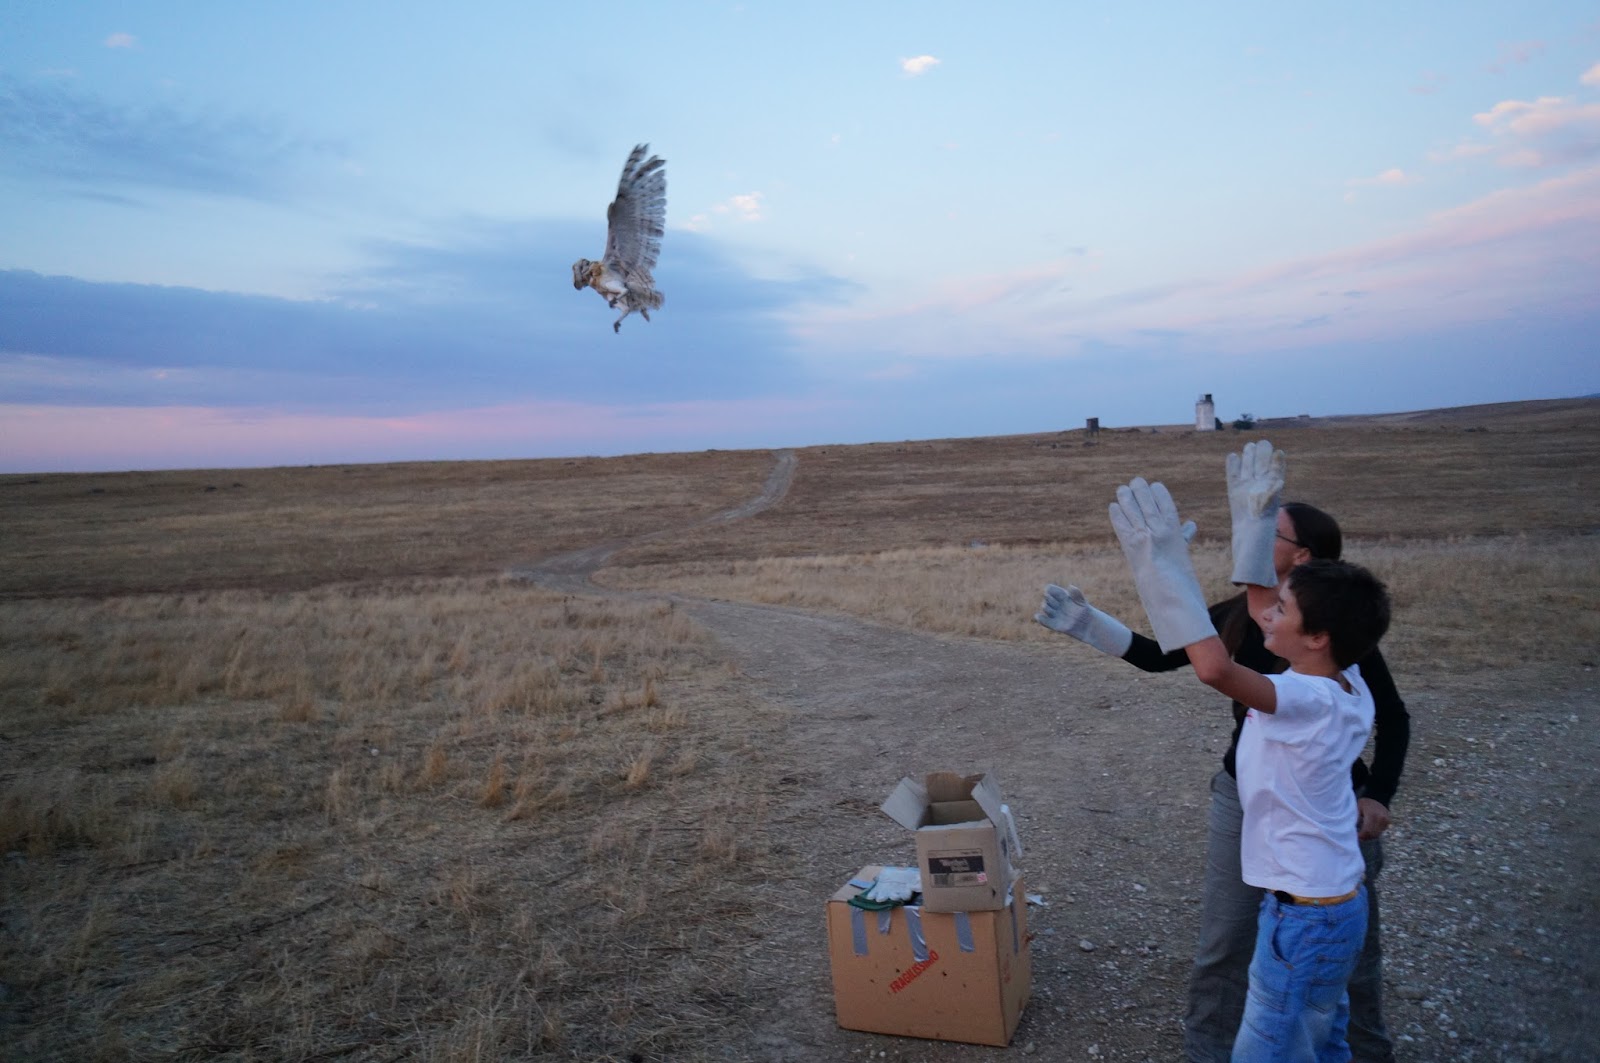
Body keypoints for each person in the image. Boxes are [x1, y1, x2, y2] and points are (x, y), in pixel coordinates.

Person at [1036, 447, 1407, 1063]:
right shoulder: (1329, 657)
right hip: (1286, 840)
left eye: (1274, 532)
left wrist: (1163, 569)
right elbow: (1198, 638)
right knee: (1253, 962)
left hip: (1316, 855)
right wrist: (1093, 624)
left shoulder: (1311, 679)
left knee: (1326, 987)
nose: (1266, 616)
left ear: (1305, 563)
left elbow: (1213, 667)